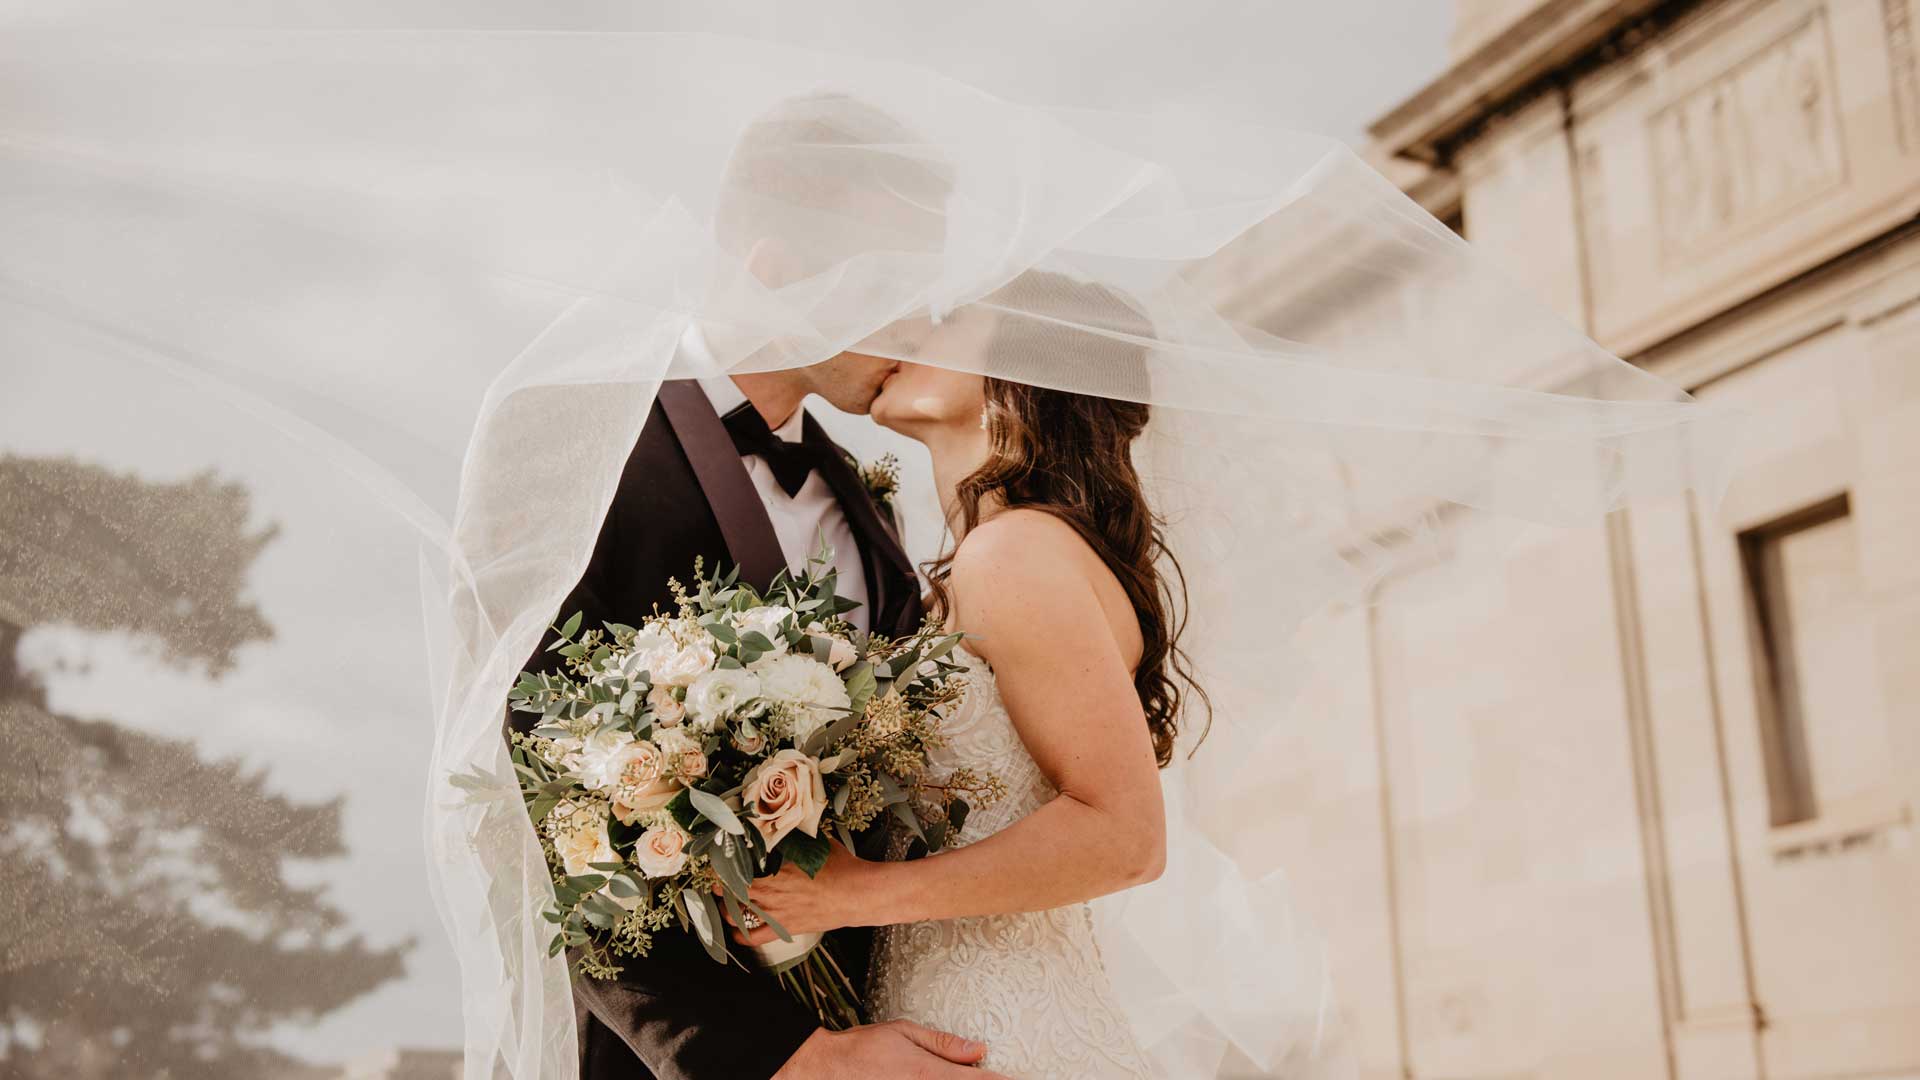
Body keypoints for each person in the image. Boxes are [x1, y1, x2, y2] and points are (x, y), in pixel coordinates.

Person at [514, 94, 1011, 1080]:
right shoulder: (574, 442)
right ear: (778, 270)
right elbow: (536, 797)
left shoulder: (870, 513)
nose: (918, 321)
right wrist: (779, 1059)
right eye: (895, 285)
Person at [727, 275, 1200, 1079]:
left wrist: (849, 895)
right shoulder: (989, 558)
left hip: (999, 1024)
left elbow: (1127, 837)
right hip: (942, 1008)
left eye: (947, 322)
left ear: (1017, 374)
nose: (905, 328)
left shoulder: (1016, 553)